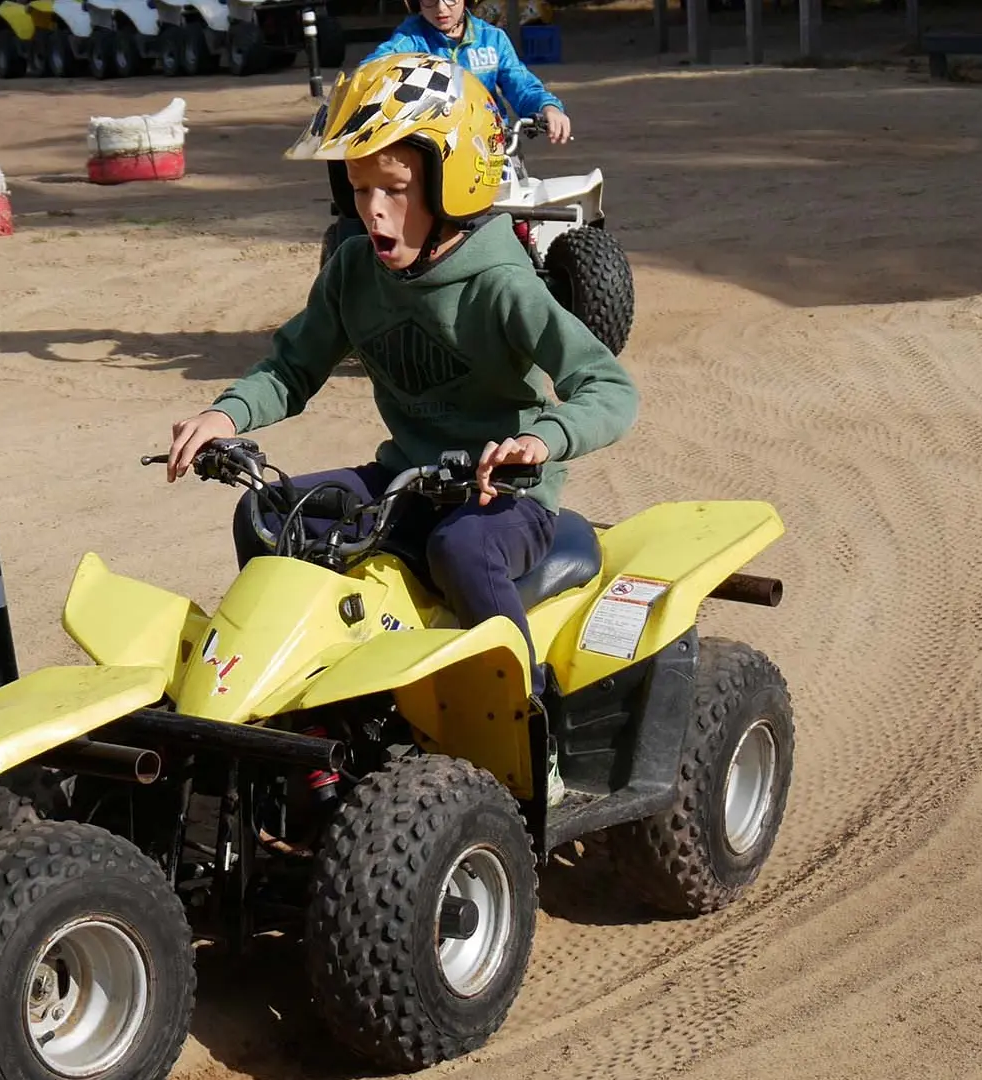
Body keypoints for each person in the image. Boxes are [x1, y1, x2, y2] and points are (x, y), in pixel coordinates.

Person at [164, 53, 637, 689]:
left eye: (395, 189)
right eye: (360, 189)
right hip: (404, 481)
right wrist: (226, 412)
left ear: (454, 185)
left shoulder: (500, 285)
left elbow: (608, 387)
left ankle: (529, 705)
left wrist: (540, 442)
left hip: (502, 496)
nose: (373, 210)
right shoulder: (353, 271)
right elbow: (290, 366)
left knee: (460, 550)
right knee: (268, 514)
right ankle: (306, 682)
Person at [366, 0, 572, 144]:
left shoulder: (493, 39)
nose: (441, 8)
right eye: (430, 0)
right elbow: (371, 70)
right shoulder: (408, 39)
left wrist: (548, 108)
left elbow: (522, 85)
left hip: (493, 143)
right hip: (434, 147)